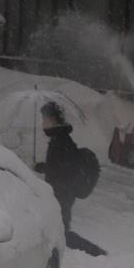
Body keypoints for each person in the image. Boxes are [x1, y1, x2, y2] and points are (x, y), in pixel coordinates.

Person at [35, 101, 106, 257]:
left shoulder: (62, 140)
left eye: (45, 119)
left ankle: (96, 253)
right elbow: (59, 166)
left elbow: (65, 169)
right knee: (58, 231)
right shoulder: (58, 139)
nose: (43, 123)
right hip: (59, 195)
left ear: (53, 119)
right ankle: (94, 252)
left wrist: (53, 183)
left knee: (62, 233)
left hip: (62, 196)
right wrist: (43, 167)